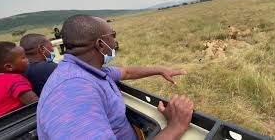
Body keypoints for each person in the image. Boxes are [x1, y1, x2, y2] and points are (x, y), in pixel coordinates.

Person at [37, 15, 194, 140]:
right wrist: (176, 126)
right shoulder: (74, 92)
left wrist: (160, 70)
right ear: (101, 44)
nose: (115, 41)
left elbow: (126, 72)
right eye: (112, 35)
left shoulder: (85, 70)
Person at [0, 42, 38, 118]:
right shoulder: (14, 80)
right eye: (24, 57)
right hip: (13, 125)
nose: (27, 60)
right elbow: (36, 104)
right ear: (9, 67)